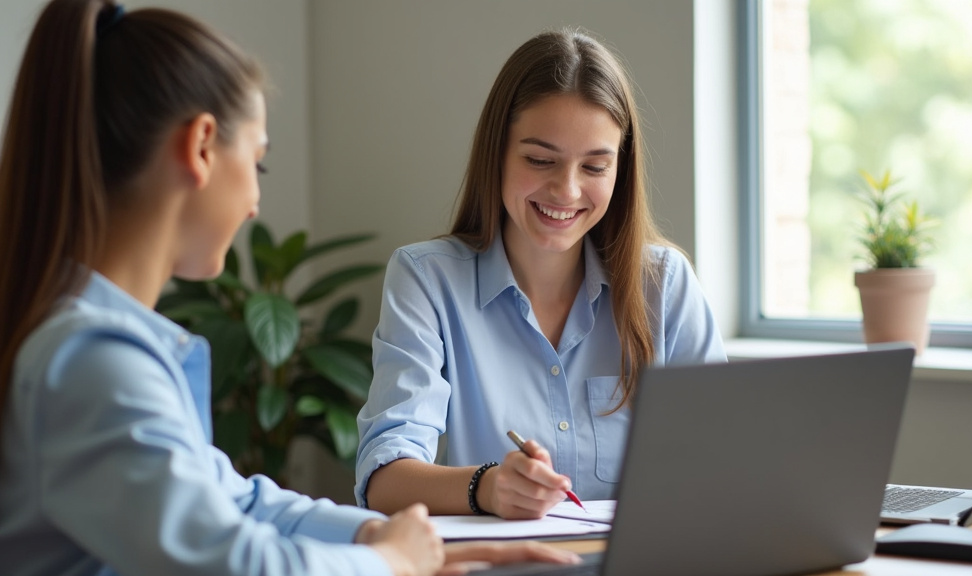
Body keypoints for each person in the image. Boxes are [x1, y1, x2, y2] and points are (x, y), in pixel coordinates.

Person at [0, 2, 579, 575]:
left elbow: (239, 501)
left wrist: (376, 534)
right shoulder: (93, 363)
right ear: (202, 147)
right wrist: (390, 561)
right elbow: (234, 564)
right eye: (258, 163)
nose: (255, 203)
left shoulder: (99, 346)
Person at [356, 27, 727, 520]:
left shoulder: (664, 284)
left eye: (594, 167)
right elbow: (385, 477)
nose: (566, 191)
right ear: (498, 153)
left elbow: (727, 462)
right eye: (540, 160)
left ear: (621, 169)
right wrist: (485, 487)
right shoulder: (426, 279)